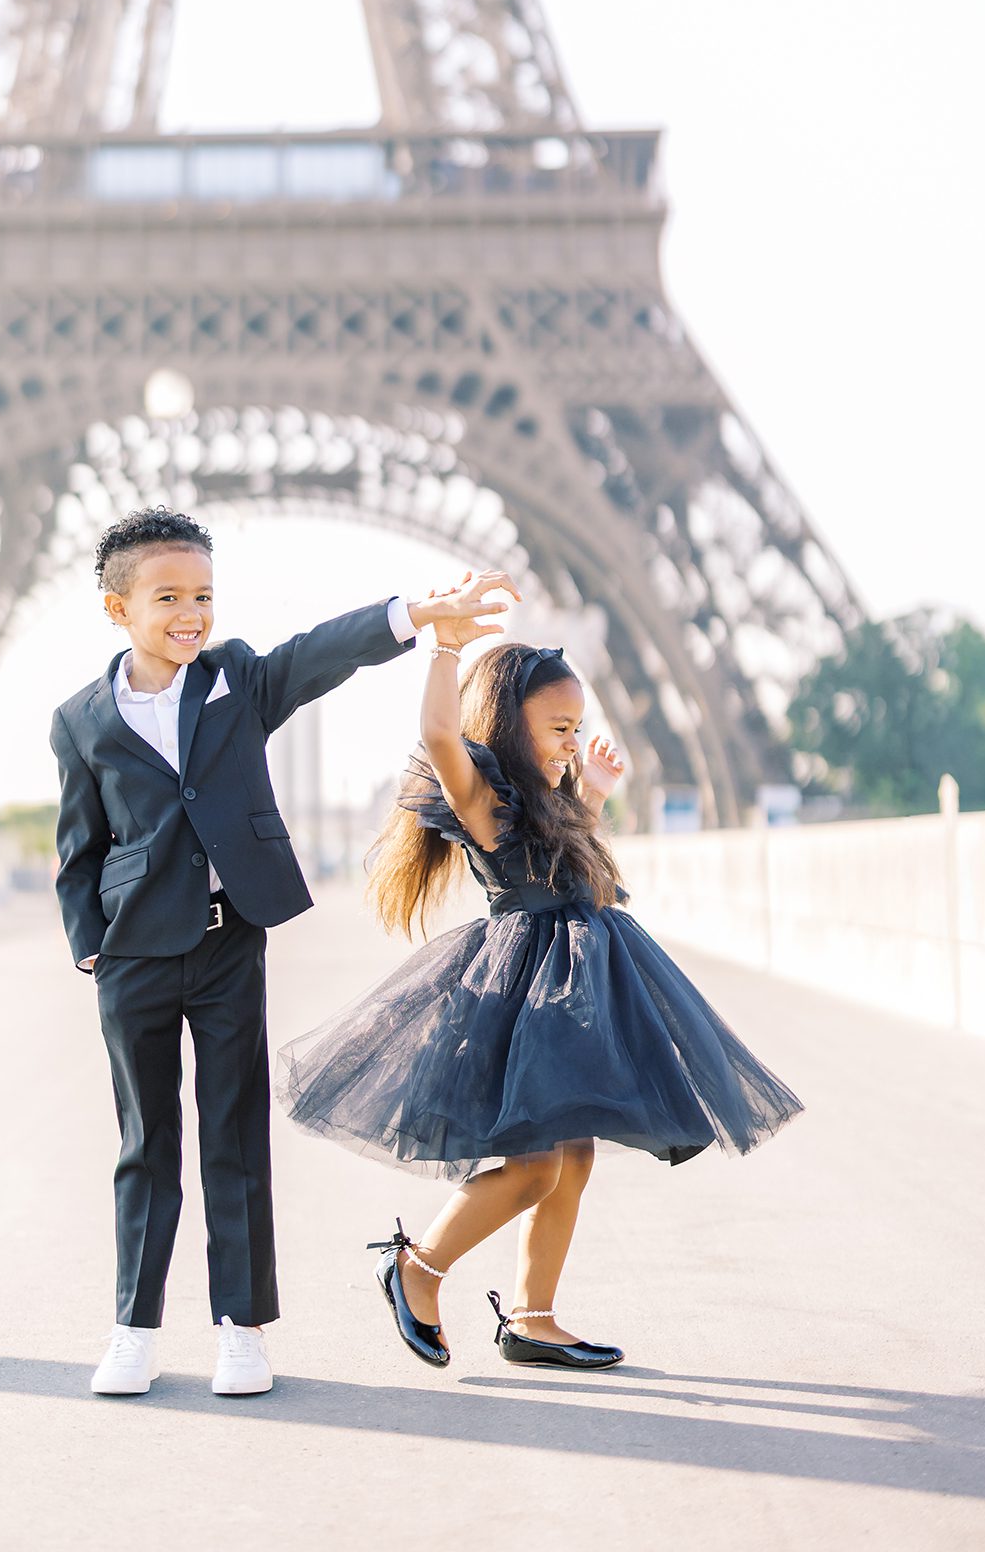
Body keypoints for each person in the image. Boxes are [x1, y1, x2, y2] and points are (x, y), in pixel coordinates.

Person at [277, 569, 803, 1372]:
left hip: (574, 990)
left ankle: (533, 1318)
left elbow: (569, 873)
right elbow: (443, 739)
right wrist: (443, 653)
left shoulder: (553, 802)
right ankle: (415, 1268)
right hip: (519, 993)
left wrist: (589, 789)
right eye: (556, 726)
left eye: (576, 725)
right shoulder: (484, 798)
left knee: (574, 1156)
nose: (569, 738)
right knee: (531, 1165)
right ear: (508, 724)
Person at [49, 507, 509, 1398]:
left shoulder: (237, 681)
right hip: (134, 955)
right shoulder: (77, 720)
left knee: (234, 1138)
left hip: (228, 943)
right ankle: (134, 1328)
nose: (191, 614)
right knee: (145, 1147)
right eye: (169, 597)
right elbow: (80, 848)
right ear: (117, 609)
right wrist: (90, 950)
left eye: (204, 596)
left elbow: (318, 651)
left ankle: (241, 1329)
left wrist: (414, 613)